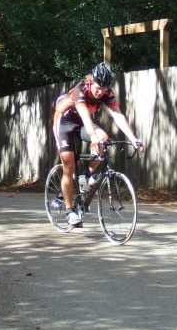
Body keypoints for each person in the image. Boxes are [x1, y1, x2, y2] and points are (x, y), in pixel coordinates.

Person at [52, 62, 145, 226]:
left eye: (104, 88)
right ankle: (69, 211)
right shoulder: (80, 90)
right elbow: (85, 116)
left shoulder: (107, 93)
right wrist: (92, 137)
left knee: (104, 138)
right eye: (98, 87)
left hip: (80, 123)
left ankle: (88, 175)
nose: (100, 91)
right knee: (69, 164)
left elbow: (117, 114)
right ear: (91, 81)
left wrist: (133, 138)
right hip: (64, 122)